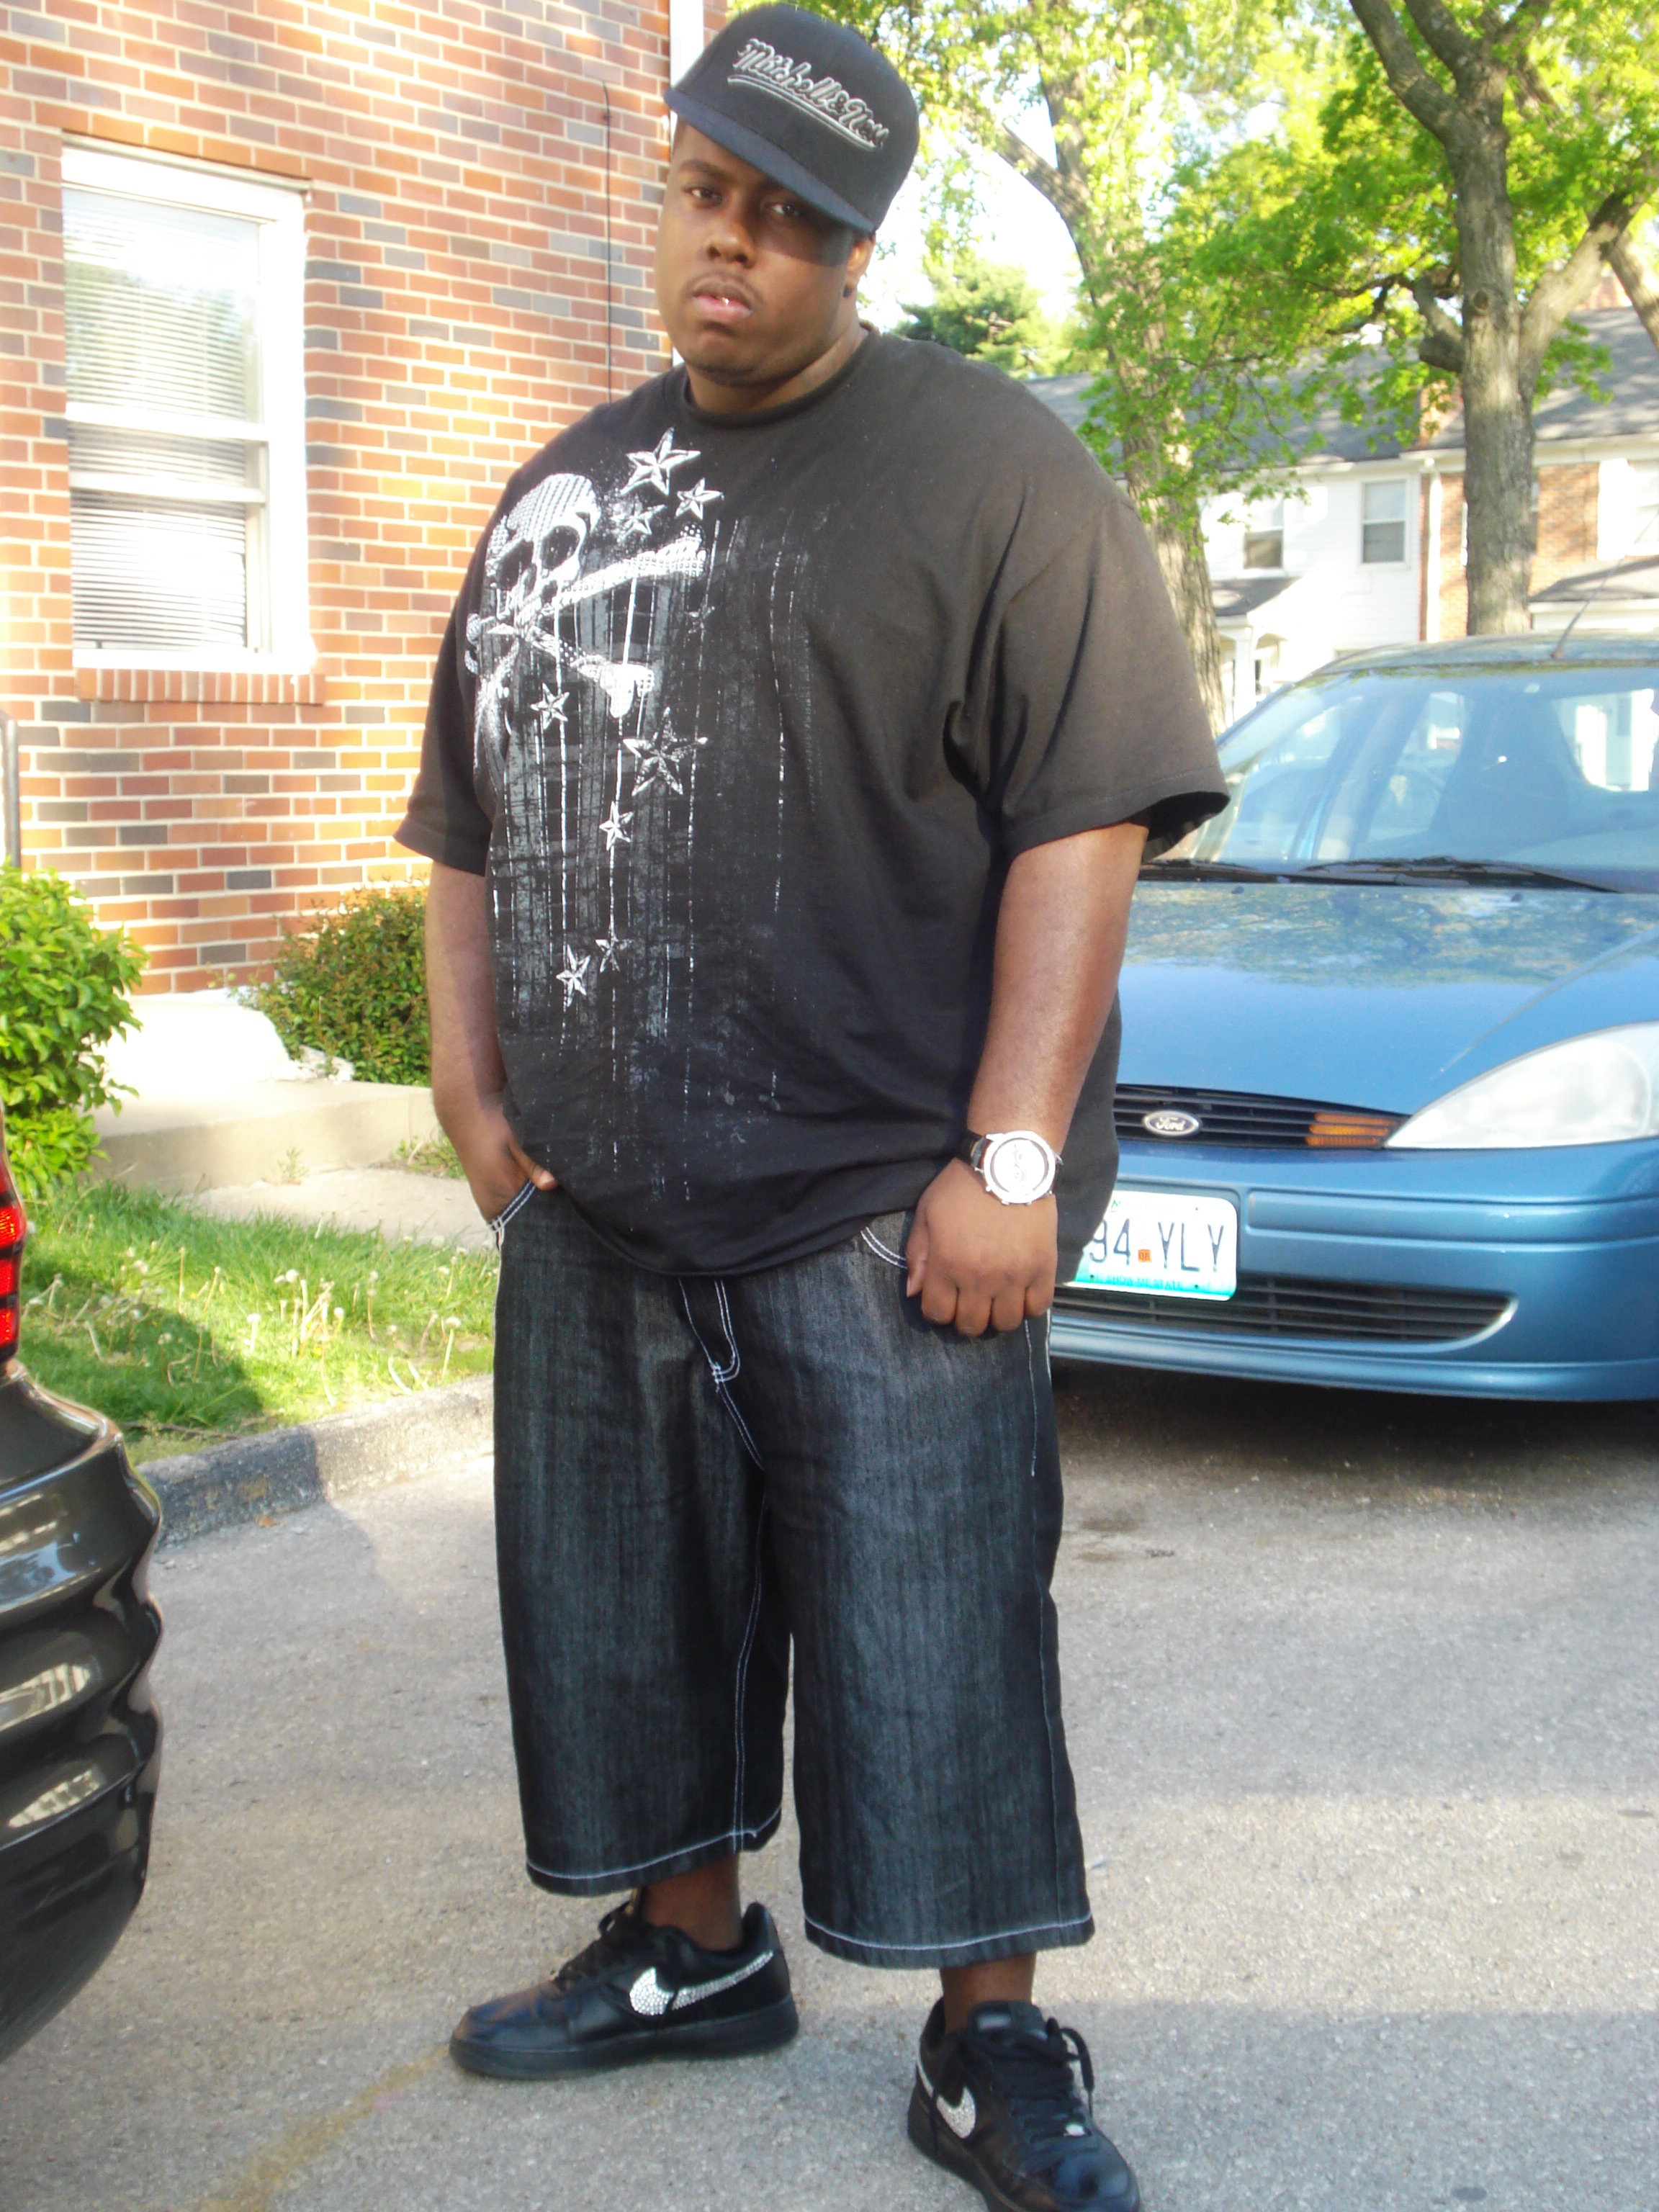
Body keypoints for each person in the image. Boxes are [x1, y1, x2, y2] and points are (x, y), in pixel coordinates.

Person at [397, 9, 1226, 2206]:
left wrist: (1013, 1158)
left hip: (886, 1202)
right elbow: (466, 818)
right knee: (622, 1615)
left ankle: (986, 2039)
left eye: (785, 219)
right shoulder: (559, 490)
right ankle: (690, 1952)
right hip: (602, 1204)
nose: (730, 246)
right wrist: (470, 1089)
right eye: (704, 194)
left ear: (859, 248)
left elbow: (1085, 821)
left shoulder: (997, 476)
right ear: (664, 190)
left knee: (936, 1633)